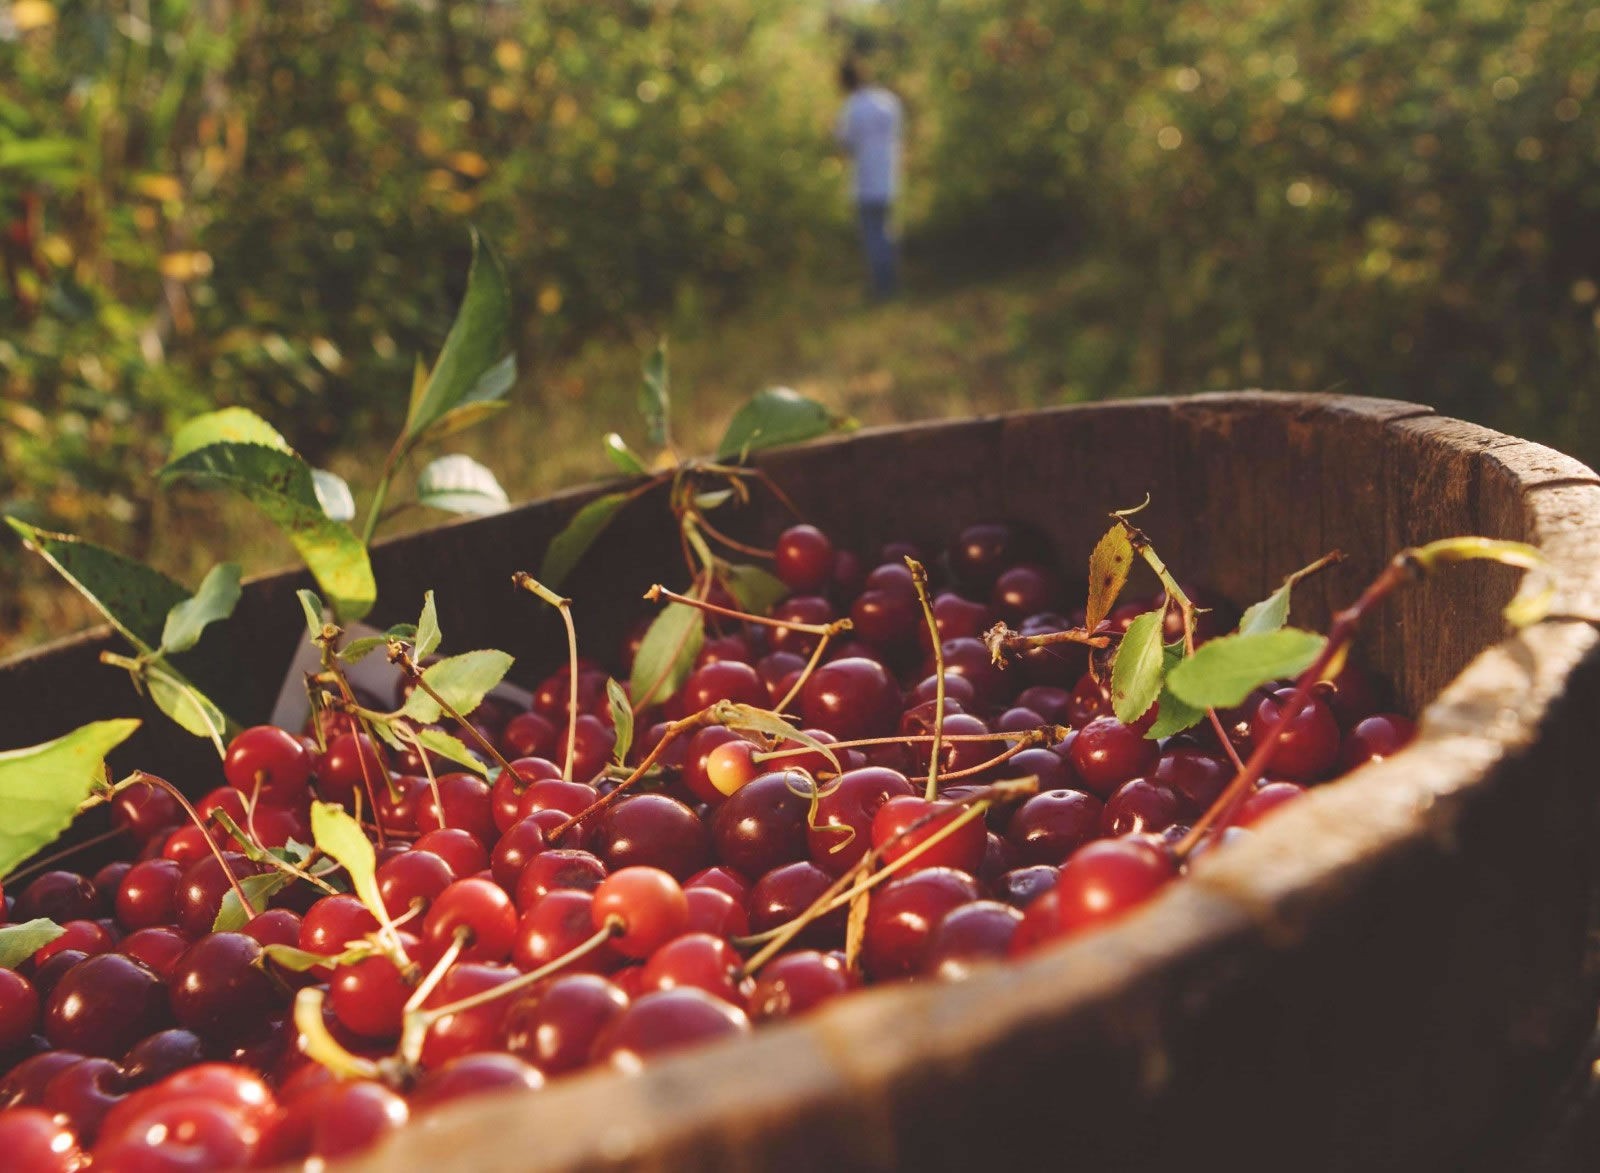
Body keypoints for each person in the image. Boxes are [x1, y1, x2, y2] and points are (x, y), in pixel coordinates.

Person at [833, 60, 903, 300]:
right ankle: (890, 280)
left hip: (865, 179)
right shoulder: (887, 101)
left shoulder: (851, 107)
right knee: (885, 229)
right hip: (888, 174)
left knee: (873, 234)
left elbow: (845, 144)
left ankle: (882, 288)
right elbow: (898, 134)